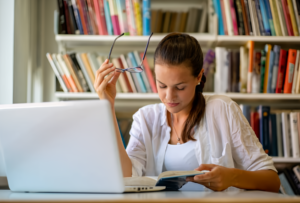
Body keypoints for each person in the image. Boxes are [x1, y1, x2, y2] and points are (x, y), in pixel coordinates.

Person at [93, 33, 280, 192]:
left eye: (180, 87)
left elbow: (272, 180)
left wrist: (232, 177)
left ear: (199, 76)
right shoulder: (145, 119)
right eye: (162, 85)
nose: (169, 96)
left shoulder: (222, 109)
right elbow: (127, 177)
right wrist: (107, 107)